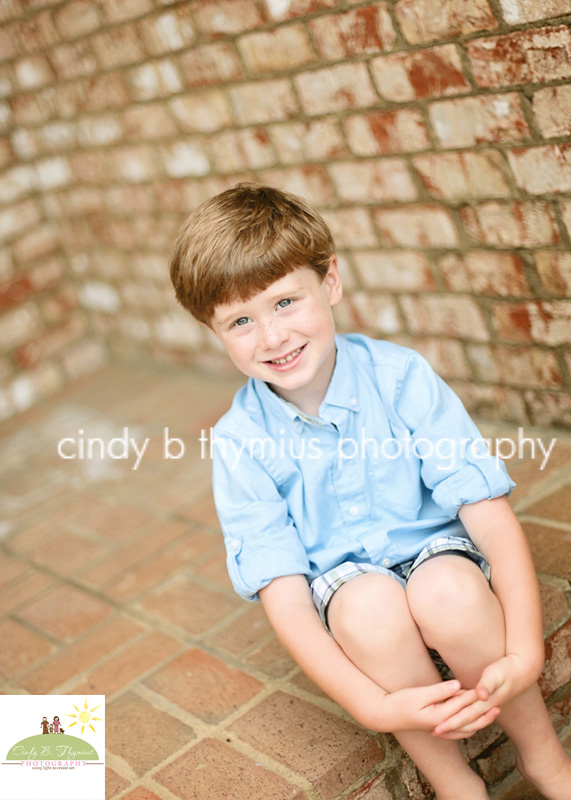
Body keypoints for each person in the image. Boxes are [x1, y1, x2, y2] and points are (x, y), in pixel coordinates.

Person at [170, 182, 571, 800]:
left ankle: (543, 757)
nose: (272, 337)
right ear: (214, 330)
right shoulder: (240, 442)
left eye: (285, 302)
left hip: (438, 554)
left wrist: (525, 650)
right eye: (241, 321)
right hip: (348, 586)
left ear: (329, 281)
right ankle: (455, 782)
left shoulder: (400, 376)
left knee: (452, 595)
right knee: (369, 610)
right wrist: (374, 708)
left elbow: (488, 517)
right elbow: (288, 600)